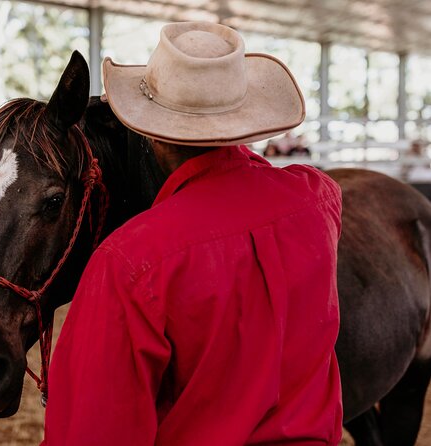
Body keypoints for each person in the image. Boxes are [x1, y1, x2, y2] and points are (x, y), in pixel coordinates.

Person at [44, 22, 343, 445]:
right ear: (245, 115)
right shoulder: (319, 201)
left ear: (148, 130)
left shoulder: (129, 261)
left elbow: (93, 431)